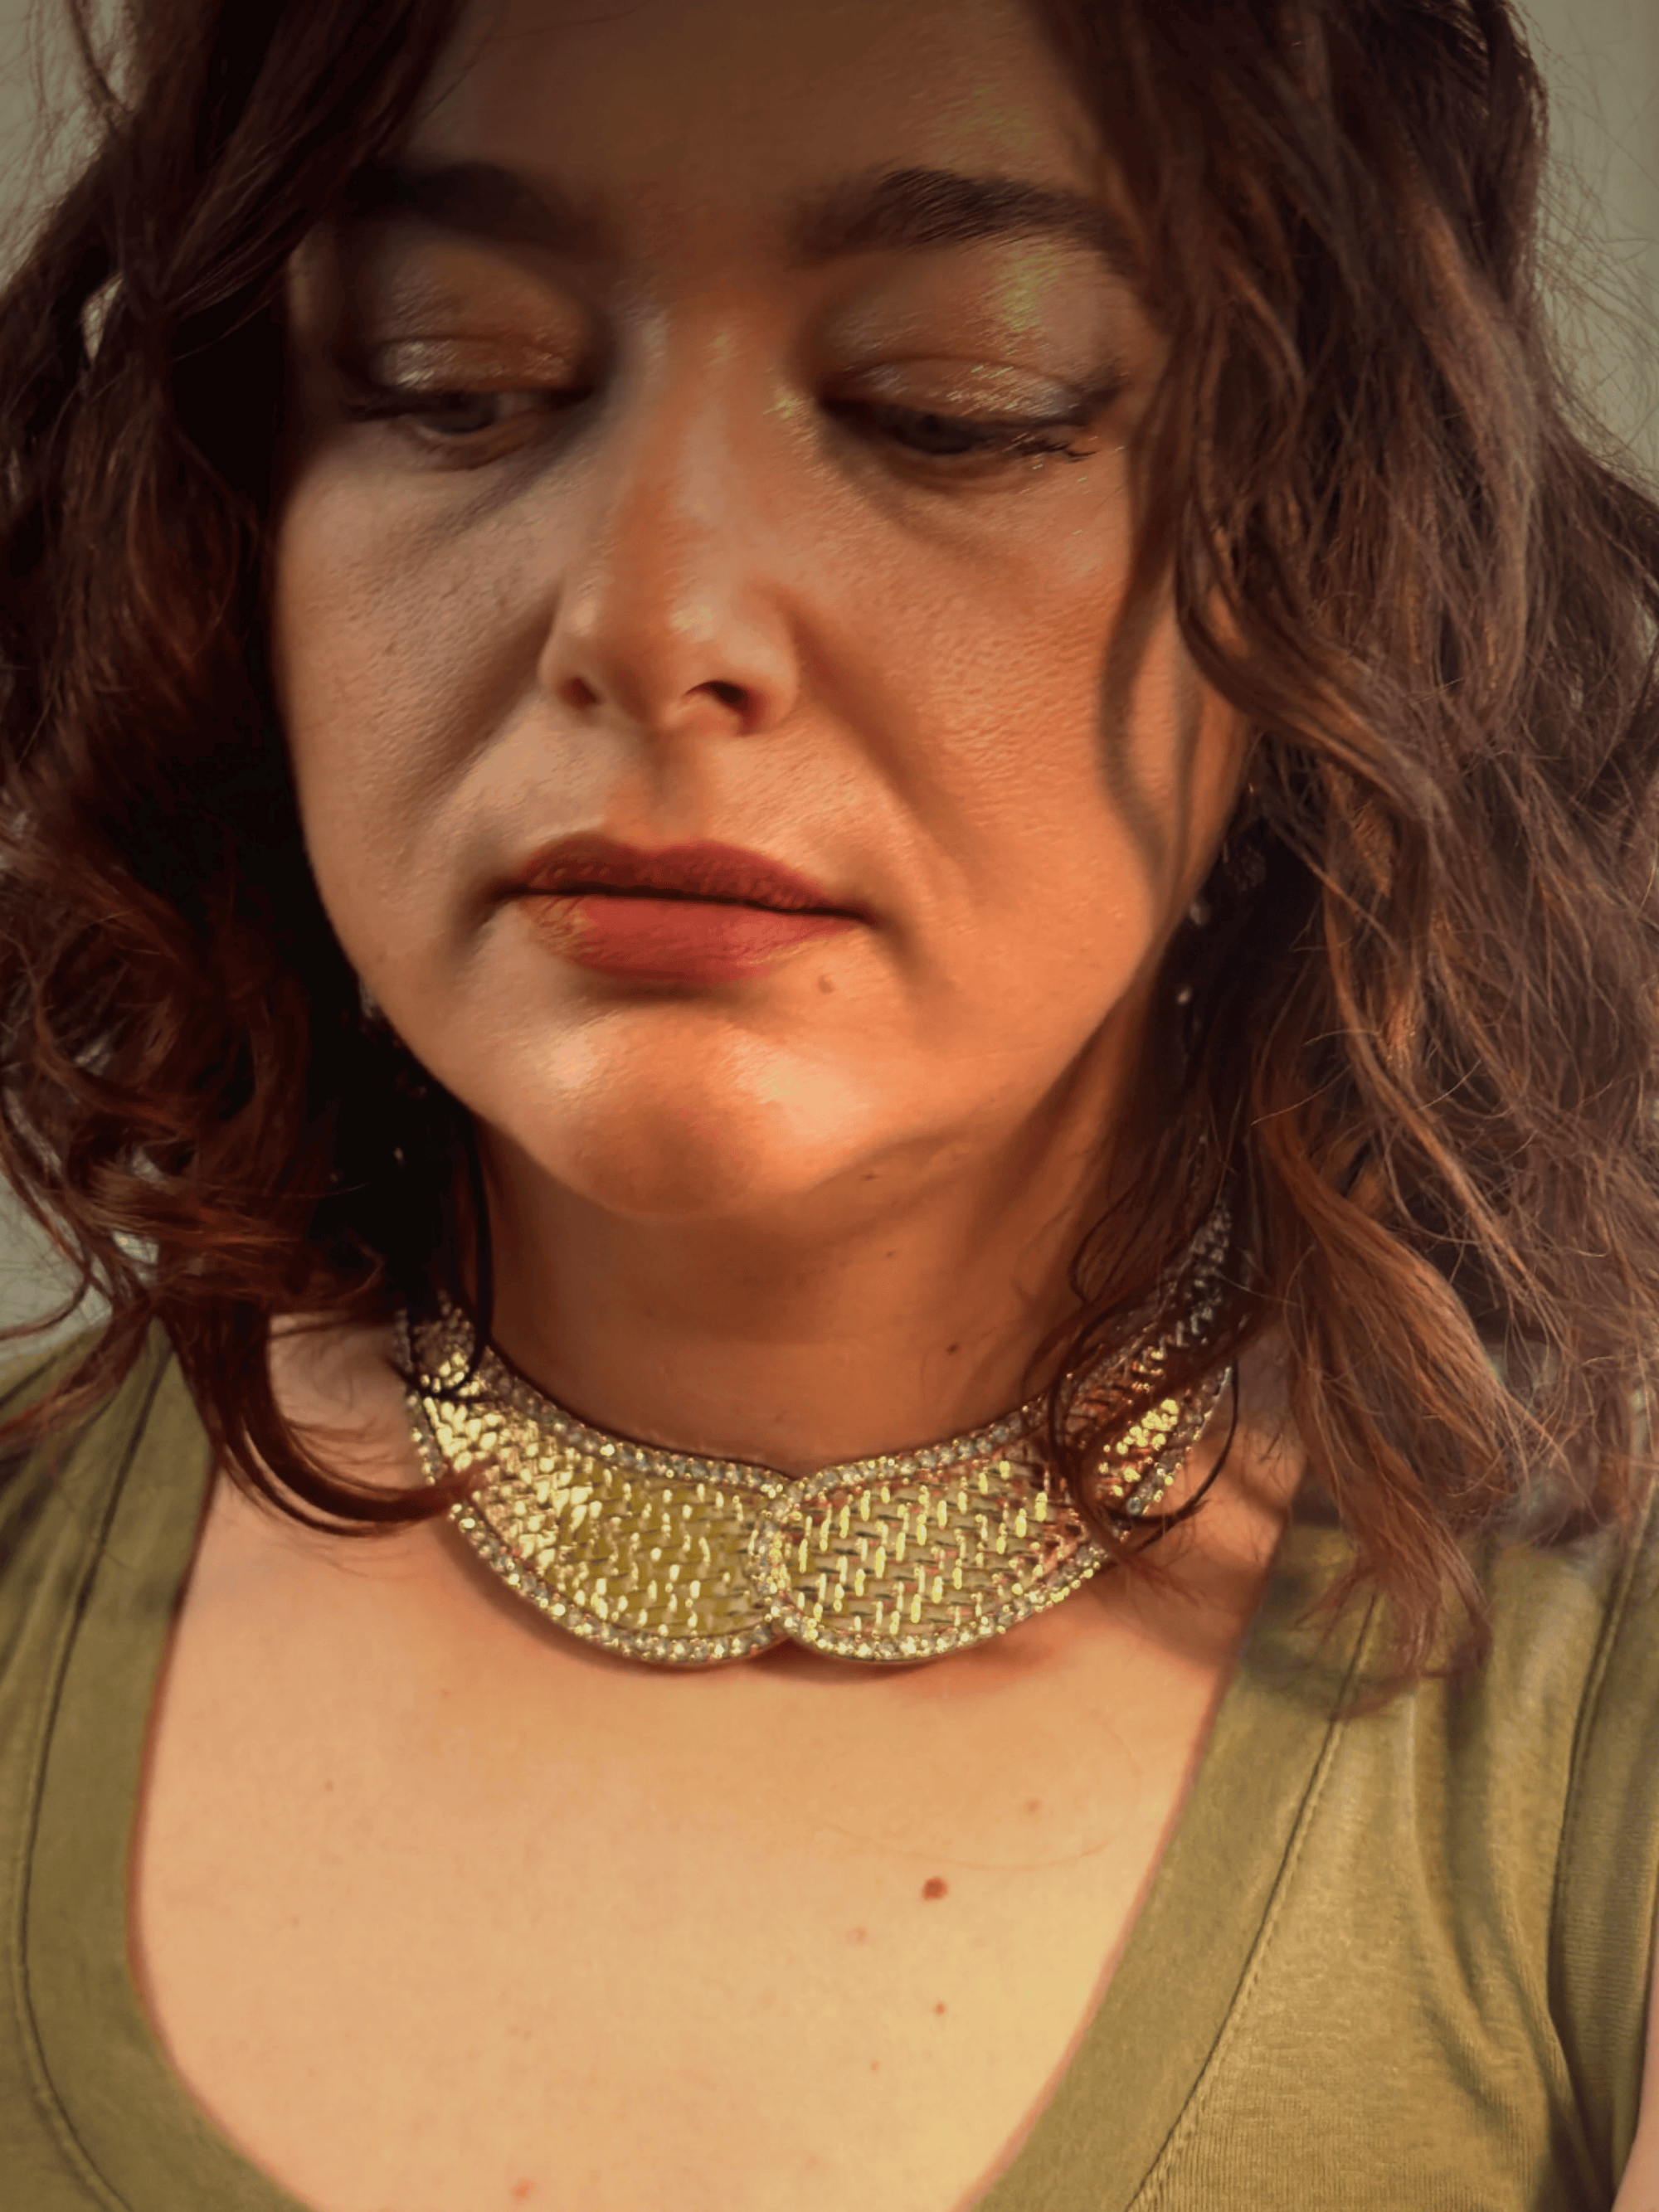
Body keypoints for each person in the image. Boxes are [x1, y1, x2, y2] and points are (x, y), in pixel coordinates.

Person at [2, 0, 1659, 2203]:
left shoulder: (1589, 1779)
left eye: (949, 405)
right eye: (454, 383)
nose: (656, 616)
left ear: (1323, 565)